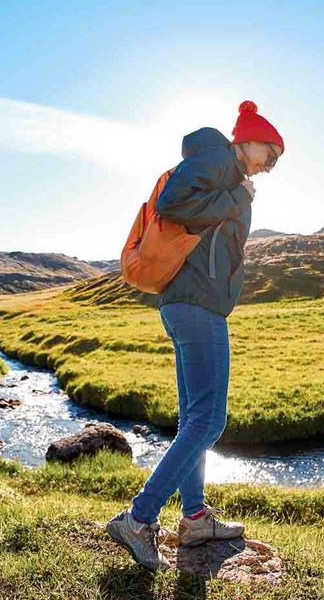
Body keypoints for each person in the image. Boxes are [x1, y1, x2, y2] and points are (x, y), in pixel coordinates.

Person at [105, 100, 285, 571]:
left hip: (188, 303)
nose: (271, 165)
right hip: (197, 304)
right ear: (249, 140)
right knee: (209, 422)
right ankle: (139, 519)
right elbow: (172, 204)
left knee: (194, 421)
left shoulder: (225, 170)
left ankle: (195, 518)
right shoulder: (218, 162)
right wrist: (237, 199)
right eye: (272, 153)